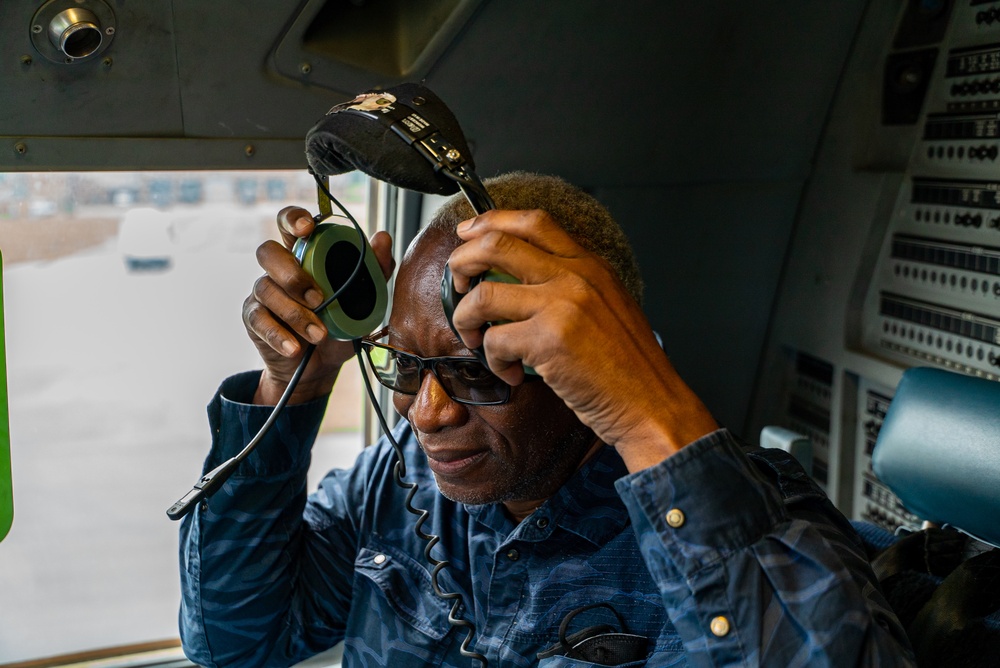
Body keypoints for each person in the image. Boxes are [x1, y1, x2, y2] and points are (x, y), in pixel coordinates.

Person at [178, 172, 914, 666]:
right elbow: (236, 642)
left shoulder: (753, 520)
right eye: (404, 366)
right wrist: (291, 387)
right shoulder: (395, 480)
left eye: (472, 372)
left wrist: (650, 415)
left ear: (582, 359)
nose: (427, 414)